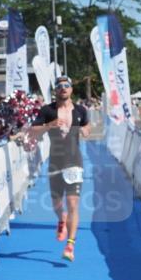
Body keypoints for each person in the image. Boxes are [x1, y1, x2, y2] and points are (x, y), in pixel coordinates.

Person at [30, 76, 90, 262]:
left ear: (71, 89)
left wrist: (85, 130)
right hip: (55, 162)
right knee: (57, 204)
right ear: (55, 90)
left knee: (73, 204)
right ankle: (61, 219)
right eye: (59, 86)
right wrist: (49, 125)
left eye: (66, 86)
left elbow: (87, 126)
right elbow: (33, 131)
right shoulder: (48, 110)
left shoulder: (81, 110)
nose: (63, 88)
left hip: (74, 162)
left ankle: (70, 245)